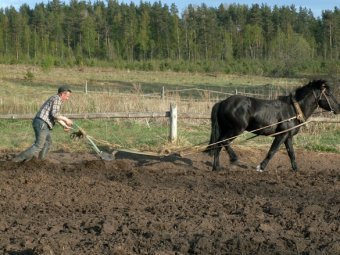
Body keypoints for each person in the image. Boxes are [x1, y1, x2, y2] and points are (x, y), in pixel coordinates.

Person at [13, 86, 73, 162]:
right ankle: (16, 160)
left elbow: (55, 116)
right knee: (38, 145)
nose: (67, 98)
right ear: (62, 94)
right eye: (67, 96)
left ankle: (40, 161)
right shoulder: (57, 99)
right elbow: (55, 114)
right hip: (42, 123)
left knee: (47, 143)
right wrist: (66, 119)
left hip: (42, 123)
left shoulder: (55, 99)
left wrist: (64, 125)